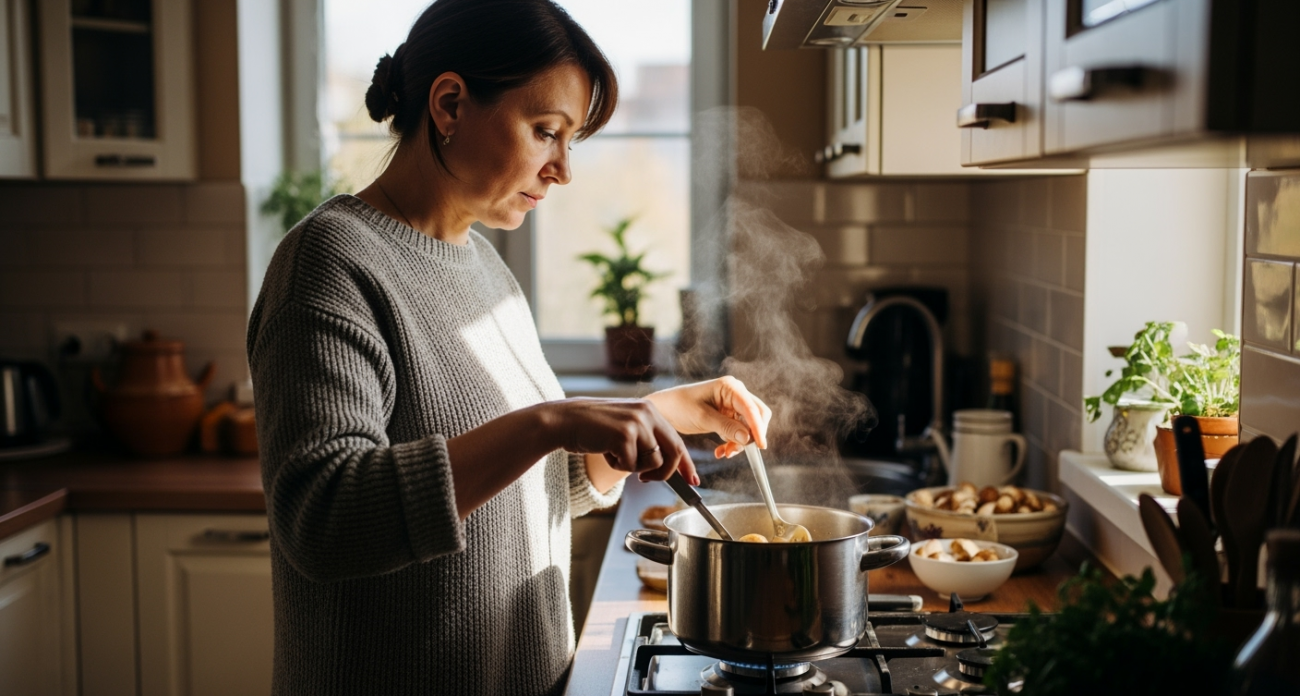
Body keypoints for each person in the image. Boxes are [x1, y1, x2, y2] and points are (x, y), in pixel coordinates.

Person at [246, 1, 771, 694]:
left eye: (570, 141)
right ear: (450, 104)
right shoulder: (329, 262)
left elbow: (538, 485)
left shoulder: (485, 268)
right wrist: (551, 421)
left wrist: (659, 412)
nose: (562, 171)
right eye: (545, 131)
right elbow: (324, 521)